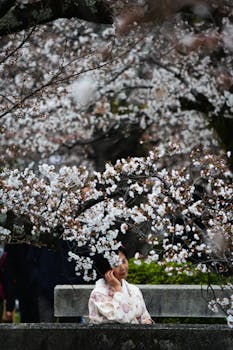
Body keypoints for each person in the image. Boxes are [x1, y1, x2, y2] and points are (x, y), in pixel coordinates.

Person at [88, 247, 153, 324]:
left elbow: (145, 316)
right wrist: (118, 288)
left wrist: (147, 321)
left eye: (124, 261)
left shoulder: (134, 290)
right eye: (116, 265)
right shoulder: (98, 294)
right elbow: (121, 319)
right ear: (106, 269)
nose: (122, 268)